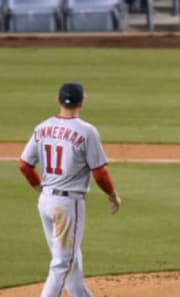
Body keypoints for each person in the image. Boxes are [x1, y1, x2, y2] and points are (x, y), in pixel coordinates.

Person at [19, 82, 122, 296]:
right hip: (68, 205)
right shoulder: (87, 131)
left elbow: (24, 165)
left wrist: (41, 189)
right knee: (62, 264)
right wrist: (113, 194)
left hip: (46, 202)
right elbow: (100, 173)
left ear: (58, 100)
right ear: (82, 102)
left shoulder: (42, 127)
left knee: (69, 259)